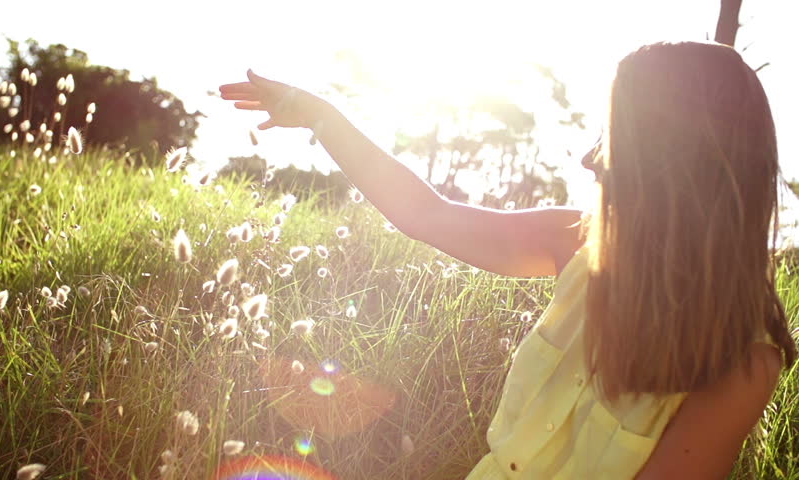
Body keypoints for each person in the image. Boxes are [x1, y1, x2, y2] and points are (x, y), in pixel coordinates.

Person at [219, 40, 797, 479]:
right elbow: (426, 214)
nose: (597, 154)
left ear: (670, 157)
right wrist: (322, 115)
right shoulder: (578, 239)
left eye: (622, 132)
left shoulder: (741, 361)